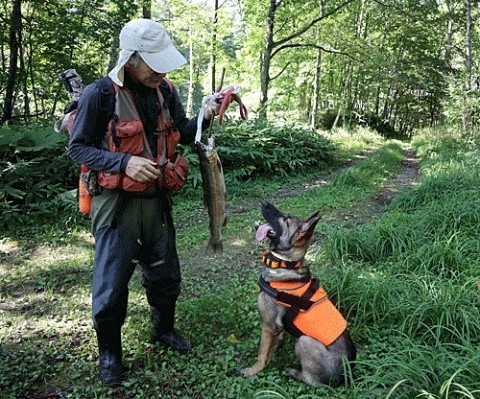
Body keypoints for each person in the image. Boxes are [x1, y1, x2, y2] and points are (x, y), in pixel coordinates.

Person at [68, 18, 220, 386]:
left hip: (157, 201)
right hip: (115, 205)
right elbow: (78, 148)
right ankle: (110, 356)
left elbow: (181, 133)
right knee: (111, 284)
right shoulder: (99, 94)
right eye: (155, 63)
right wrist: (124, 162)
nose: (162, 70)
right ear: (131, 59)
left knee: (165, 273)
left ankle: (163, 330)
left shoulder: (164, 90)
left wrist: (204, 115)